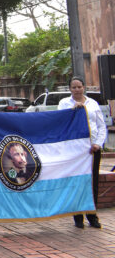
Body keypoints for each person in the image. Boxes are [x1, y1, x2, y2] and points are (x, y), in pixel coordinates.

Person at [59, 76, 106, 229]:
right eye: (74, 87)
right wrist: (73, 111)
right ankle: (78, 217)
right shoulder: (64, 103)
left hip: (92, 150)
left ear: (84, 87)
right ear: (70, 89)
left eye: (79, 87)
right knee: (76, 182)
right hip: (75, 151)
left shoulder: (93, 103)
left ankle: (92, 215)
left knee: (92, 183)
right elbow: (60, 122)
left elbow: (101, 126)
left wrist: (97, 144)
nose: (77, 90)